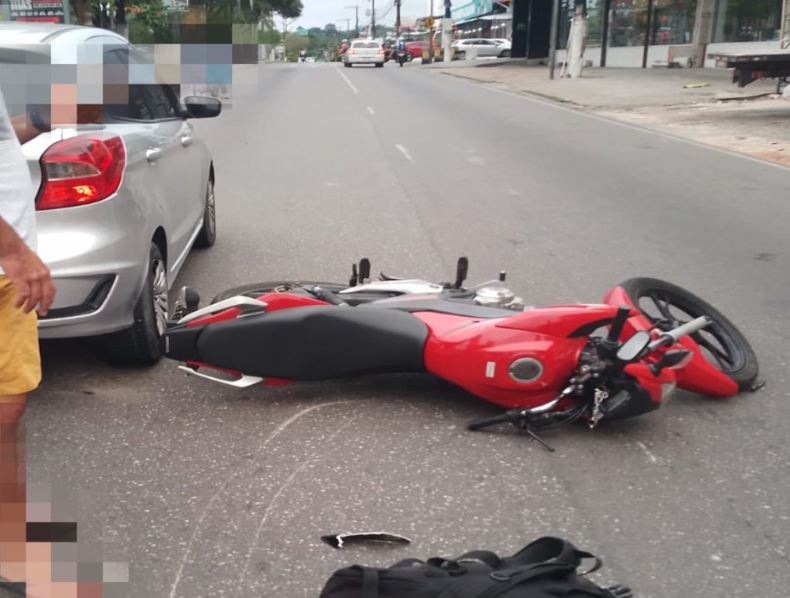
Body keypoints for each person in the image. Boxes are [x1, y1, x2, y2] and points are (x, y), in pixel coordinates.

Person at [0, 89, 89, 596]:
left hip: (7, 280)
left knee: (7, 415)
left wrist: (36, 120)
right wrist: (14, 251)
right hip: (9, 262)